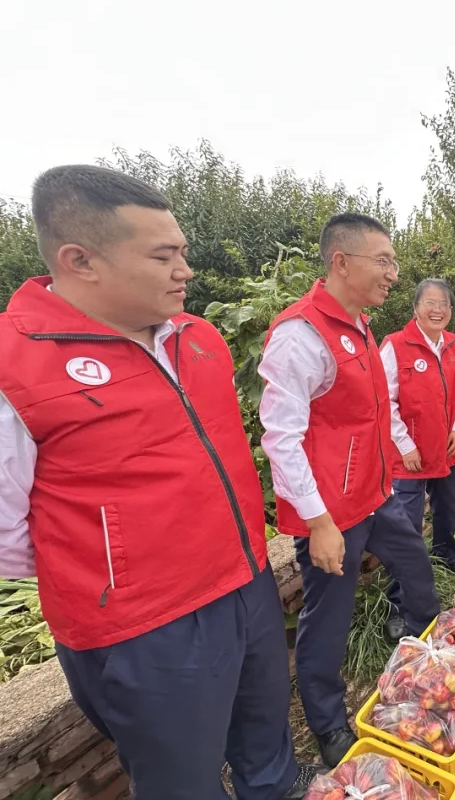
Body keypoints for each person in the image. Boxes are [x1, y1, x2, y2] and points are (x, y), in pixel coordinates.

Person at [0, 165, 321, 800]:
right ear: (80, 260)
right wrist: (121, 570)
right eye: (162, 255)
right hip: (145, 630)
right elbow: (9, 537)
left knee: (265, 737)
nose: (185, 270)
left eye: (183, 252)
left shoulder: (198, 340)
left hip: (245, 580)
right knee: (182, 781)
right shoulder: (17, 365)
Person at [258, 213, 441, 768]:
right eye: (382, 260)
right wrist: (317, 523)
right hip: (332, 514)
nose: (394, 273)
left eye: (393, 261)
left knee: (416, 567)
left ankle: (422, 656)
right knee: (328, 619)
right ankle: (328, 723)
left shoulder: (357, 325)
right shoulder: (300, 334)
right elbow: (281, 438)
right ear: (342, 262)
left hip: (375, 494)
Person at [379, 279, 455, 578]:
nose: (437, 310)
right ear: (415, 308)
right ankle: (403, 586)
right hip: (409, 452)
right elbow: (384, 402)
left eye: (443, 304)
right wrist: (405, 445)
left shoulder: (454, 343)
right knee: (407, 521)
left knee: (447, 509)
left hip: (446, 447)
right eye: (430, 303)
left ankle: (446, 554)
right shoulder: (395, 345)